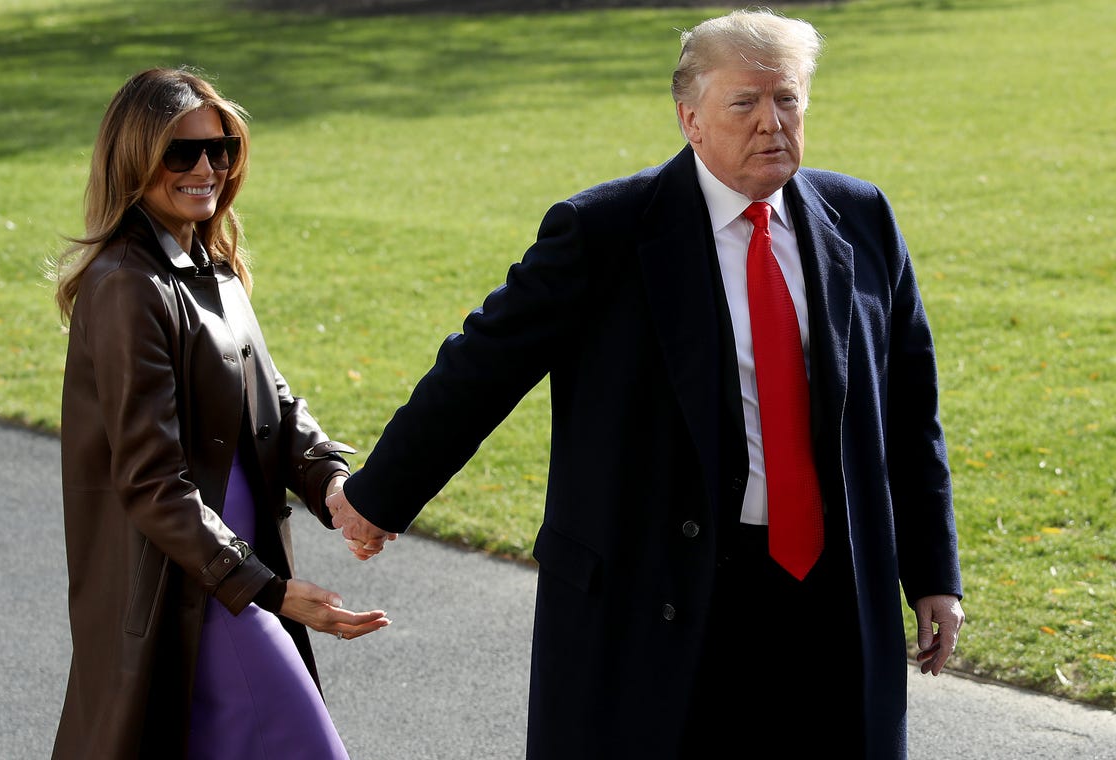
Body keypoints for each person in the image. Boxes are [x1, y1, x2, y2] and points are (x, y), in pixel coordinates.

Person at [328, 8, 965, 759]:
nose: (772, 123)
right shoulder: (606, 232)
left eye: (787, 99)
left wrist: (933, 574)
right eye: (745, 103)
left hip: (828, 597)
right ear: (690, 118)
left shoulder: (861, 218)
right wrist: (378, 497)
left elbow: (908, 412)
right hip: (662, 595)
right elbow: (482, 366)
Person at [50, 67, 390, 760]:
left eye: (221, 149)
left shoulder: (211, 265)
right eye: (182, 153)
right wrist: (270, 591)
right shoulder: (125, 287)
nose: (207, 167)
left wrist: (334, 486)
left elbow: (273, 405)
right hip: (197, 591)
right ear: (134, 159)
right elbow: (151, 482)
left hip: (229, 577)